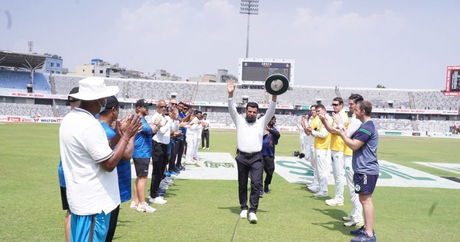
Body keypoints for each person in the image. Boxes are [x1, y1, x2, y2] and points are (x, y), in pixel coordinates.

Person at [59, 77, 140, 242]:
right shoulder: (89, 125)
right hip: (93, 204)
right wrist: (126, 136)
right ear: (99, 99)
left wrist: (118, 135)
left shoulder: (71, 119)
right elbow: (109, 164)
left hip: (83, 198)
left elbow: (100, 149)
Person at [227, 79, 277, 224]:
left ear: (257, 113)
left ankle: (253, 211)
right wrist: (230, 94)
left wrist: (274, 95)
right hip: (241, 157)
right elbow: (231, 108)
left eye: (254, 112)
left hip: (256, 158)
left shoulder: (261, 122)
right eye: (249, 111)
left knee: (256, 184)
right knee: (242, 184)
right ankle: (243, 207)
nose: (251, 114)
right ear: (246, 111)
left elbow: (271, 109)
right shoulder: (239, 120)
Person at [335, 100, 378, 242]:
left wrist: (342, 134)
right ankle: (366, 227)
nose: (354, 111)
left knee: (366, 200)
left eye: (357, 109)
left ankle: (369, 234)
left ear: (363, 111)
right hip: (363, 169)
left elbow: (354, 145)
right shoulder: (365, 126)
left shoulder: (367, 127)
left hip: (366, 169)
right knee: (363, 199)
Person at [320, 94, 364, 227]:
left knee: (353, 187)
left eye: (351, 104)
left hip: (351, 155)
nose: (349, 106)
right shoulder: (353, 118)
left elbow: (345, 134)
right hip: (347, 153)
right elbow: (341, 131)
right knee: (351, 187)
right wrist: (327, 122)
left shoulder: (356, 119)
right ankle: (355, 213)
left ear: (358, 104)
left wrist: (337, 123)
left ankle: (358, 217)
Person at [98, 96, 136, 242]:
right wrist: (130, 135)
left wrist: (121, 132)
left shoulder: (104, 128)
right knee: (105, 232)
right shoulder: (104, 131)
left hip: (110, 186)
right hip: (109, 188)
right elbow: (126, 155)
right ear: (113, 110)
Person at [57, 86, 80, 242]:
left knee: (71, 212)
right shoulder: (80, 120)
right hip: (74, 173)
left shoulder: (68, 119)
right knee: (74, 212)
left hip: (65, 171)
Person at [302, 104, 332, 197]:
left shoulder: (326, 119)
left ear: (324, 110)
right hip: (319, 146)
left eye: (318, 111)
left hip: (323, 147)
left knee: (321, 170)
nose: (317, 113)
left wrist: (312, 131)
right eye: (316, 111)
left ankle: (323, 190)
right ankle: (321, 188)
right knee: (319, 169)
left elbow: (323, 134)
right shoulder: (320, 119)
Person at [131, 99, 156, 213]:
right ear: (139, 108)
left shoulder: (140, 119)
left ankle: (136, 201)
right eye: (145, 107)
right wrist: (156, 125)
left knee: (139, 177)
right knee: (142, 178)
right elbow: (151, 130)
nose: (147, 109)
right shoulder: (140, 120)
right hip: (142, 152)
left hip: (140, 152)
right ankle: (142, 204)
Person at [148, 100, 173, 205]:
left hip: (164, 145)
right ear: (157, 107)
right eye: (162, 106)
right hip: (157, 145)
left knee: (161, 171)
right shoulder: (156, 117)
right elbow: (161, 131)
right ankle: (153, 195)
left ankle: (156, 193)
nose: (164, 108)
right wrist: (171, 120)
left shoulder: (164, 117)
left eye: (165, 106)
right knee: (157, 171)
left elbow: (169, 131)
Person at [325, 97, 348, 207]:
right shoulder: (337, 115)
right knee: (336, 174)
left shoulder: (342, 116)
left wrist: (326, 123)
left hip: (339, 147)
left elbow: (336, 131)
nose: (334, 106)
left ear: (341, 105)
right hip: (335, 147)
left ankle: (339, 198)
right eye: (333, 104)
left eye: (336, 104)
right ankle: (338, 197)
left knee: (339, 175)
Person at [261, 116, 280, 197]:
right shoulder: (261, 128)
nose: (274, 121)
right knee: (259, 172)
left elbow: (277, 135)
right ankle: (260, 188)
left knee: (270, 171)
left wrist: (269, 130)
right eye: (272, 119)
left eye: (274, 119)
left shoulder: (274, 129)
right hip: (260, 154)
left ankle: (266, 184)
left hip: (269, 154)